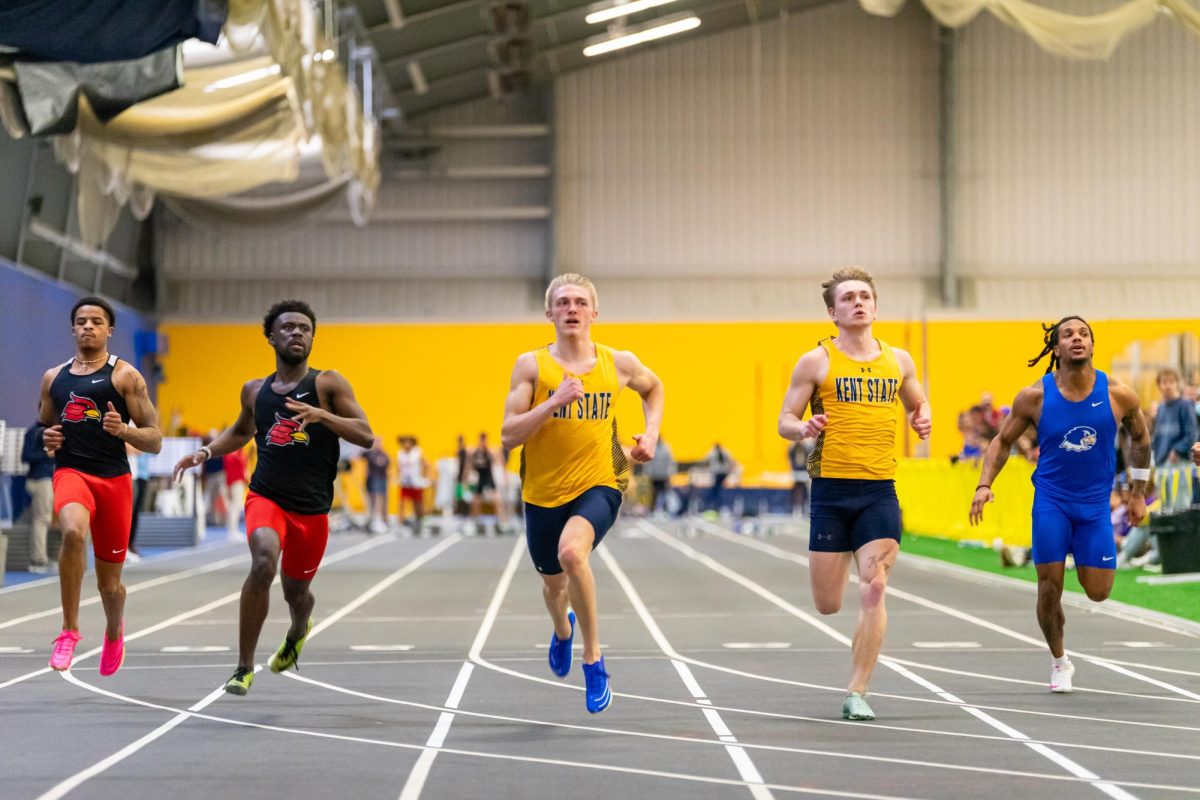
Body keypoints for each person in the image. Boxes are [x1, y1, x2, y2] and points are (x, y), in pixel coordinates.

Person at [172, 300, 374, 696]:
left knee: (296, 593)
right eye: (288, 327)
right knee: (263, 562)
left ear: (313, 337)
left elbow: (365, 434)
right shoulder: (255, 390)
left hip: (312, 508)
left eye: (304, 328)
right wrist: (205, 452)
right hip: (267, 496)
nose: (297, 333)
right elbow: (241, 431)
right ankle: (243, 667)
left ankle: (299, 629)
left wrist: (323, 417)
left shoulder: (328, 384)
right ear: (271, 337)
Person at [501, 273, 664, 713]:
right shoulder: (532, 366)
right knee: (554, 588)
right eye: (563, 302)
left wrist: (650, 435)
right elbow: (508, 435)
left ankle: (594, 660)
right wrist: (553, 402)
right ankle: (562, 631)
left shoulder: (618, 363)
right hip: (542, 492)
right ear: (549, 313)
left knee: (573, 554)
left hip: (601, 481)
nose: (571, 309)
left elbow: (654, 389)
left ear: (594, 313)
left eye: (579, 302)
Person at [777, 267, 931, 721]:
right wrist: (802, 428)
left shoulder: (899, 360)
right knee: (828, 604)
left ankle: (858, 690)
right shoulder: (816, 362)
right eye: (848, 298)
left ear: (875, 307)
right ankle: (856, 672)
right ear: (833, 312)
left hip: (879, 490)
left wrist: (922, 419)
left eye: (865, 296)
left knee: (875, 586)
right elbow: (784, 419)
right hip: (830, 491)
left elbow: (919, 404)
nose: (858, 303)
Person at [969, 316, 1151, 693]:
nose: (1077, 339)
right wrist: (984, 484)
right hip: (1052, 501)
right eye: (1068, 335)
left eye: (1084, 334)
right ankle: (1059, 660)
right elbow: (1002, 442)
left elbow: (1141, 440)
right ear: (1056, 348)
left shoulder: (1119, 394)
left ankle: (1078, 582)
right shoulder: (1034, 397)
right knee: (1049, 588)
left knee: (1098, 591)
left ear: (1092, 345)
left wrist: (1136, 493)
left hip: (1095, 506)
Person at [38, 296, 163, 674]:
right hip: (72, 473)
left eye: (96, 321)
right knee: (73, 532)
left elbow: (155, 439)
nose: (88, 326)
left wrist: (124, 430)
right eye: (81, 321)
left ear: (109, 330)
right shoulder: (52, 378)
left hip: (114, 481)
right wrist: (48, 440)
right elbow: (45, 425)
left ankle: (113, 630)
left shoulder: (126, 376)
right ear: (73, 328)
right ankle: (69, 631)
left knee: (110, 587)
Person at [20, 421, 55, 573]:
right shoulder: (34, 432)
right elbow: (25, 456)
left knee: (41, 520)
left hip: (46, 479)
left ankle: (39, 558)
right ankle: (38, 560)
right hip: (40, 480)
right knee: (41, 520)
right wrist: (46, 452)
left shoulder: (52, 431)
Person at [1152, 369, 1198, 467]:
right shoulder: (1161, 408)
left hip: (1180, 463)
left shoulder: (1185, 405)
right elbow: (1158, 436)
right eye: (1164, 382)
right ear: (1159, 385)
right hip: (1161, 463)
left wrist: (1177, 450)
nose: (1168, 386)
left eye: (1171, 381)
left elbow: (1192, 434)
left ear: (1177, 384)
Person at [396, 436, 429, 535]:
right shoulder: (400, 454)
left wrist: (423, 477)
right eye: (405, 443)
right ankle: (400, 525)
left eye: (408, 443)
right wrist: (398, 477)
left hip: (416, 483)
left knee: (418, 504)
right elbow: (398, 467)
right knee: (402, 503)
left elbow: (426, 465)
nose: (406, 445)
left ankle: (420, 523)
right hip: (405, 482)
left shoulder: (418, 452)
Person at [643, 434, 676, 516]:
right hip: (654, 475)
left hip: (664, 475)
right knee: (653, 493)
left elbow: (671, 461)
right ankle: (652, 510)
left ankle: (665, 510)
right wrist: (648, 472)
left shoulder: (666, 448)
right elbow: (648, 461)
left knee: (664, 493)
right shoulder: (652, 448)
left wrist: (670, 473)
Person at [363, 437, 390, 534]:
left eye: (380, 442)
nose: (379, 444)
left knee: (383, 499)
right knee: (375, 498)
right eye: (377, 442)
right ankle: (375, 519)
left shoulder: (383, 453)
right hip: (373, 478)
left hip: (382, 478)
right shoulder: (370, 453)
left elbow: (386, 463)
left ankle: (383, 520)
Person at [223, 445, 249, 541]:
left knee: (235, 507)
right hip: (235, 482)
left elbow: (243, 468)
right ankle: (232, 531)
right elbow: (230, 470)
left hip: (238, 482)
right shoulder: (232, 454)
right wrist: (229, 484)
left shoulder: (239, 452)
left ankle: (233, 529)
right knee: (234, 506)